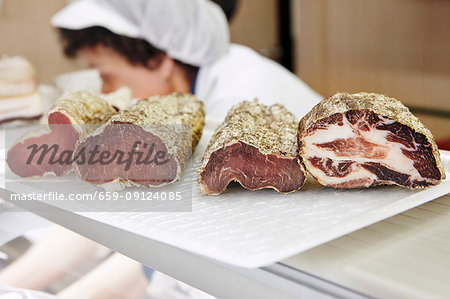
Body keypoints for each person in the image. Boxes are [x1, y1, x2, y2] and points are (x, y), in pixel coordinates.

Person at [0, 0, 322, 297]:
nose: (106, 91)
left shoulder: (238, 101)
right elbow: (114, 217)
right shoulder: (182, 96)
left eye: (106, 75)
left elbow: (171, 251)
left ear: (160, 59)